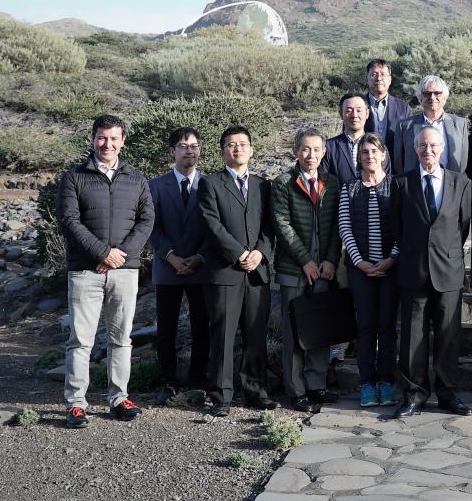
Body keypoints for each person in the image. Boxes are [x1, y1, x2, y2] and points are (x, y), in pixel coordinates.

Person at [58, 114, 155, 429]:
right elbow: (70, 221)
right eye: (102, 137)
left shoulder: (137, 180)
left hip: (125, 272)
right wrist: (102, 253)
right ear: (92, 139)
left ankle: (119, 398)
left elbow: (146, 221)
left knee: (121, 339)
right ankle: (76, 404)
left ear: (123, 141)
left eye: (114, 138)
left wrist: (118, 256)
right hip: (85, 272)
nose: (107, 144)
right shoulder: (74, 177)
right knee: (81, 340)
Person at [387, 127, 472, 417]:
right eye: (422, 145)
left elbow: (463, 226)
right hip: (414, 269)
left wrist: (445, 251)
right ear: (415, 149)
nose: (428, 151)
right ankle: (413, 394)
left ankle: (448, 394)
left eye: (433, 145)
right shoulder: (400, 183)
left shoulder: (460, 182)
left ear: (442, 149)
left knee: (449, 336)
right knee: (412, 337)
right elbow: (396, 227)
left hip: (448, 269)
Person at [199, 125, 276, 417]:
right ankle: (221, 395)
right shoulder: (211, 184)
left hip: (257, 272)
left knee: (256, 334)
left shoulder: (262, 185)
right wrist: (240, 253)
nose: (237, 149)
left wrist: (259, 253)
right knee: (224, 334)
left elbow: (270, 225)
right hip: (225, 272)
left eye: (243, 144)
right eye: (231, 145)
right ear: (223, 152)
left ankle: (256, 391)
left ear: (252, 150)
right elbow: (212, 225)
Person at [271, 128, 343, 413]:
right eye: (305, 149)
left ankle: (317, 384)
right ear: (295, 151)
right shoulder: (282, 183)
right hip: (294, 269)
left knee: (320, 330)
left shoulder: (332, 183)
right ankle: (296, 389)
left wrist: (330, 261)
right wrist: (305, 261)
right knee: (294, 331)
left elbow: (338, 227)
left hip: (324, 269)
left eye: (316, 149)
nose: (310, 154)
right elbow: (282, 225)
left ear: (324, 152)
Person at [147, 126, 210, 406]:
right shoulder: (155, 186)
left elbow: (215, 227)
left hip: (201, 267)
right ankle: (168, 382)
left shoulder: (210, 184)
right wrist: (170, 256)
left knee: (201, 326)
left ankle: (198, 381)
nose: (189, 151)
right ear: (172, 151)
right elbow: (151, 227)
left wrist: (198, 257)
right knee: (167, 328)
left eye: (194, 146)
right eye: (184, 146)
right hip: (167, 267)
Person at [337, 133, 400, 408]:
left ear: (383, 154)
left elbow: (403, 227)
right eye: (364, 152)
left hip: (390, 269)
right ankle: (366, 383)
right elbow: (344, 227)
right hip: (359, 270)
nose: (370, 156)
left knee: (387, 326)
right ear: (358, 158)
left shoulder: (397, 186)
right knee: (365, 326)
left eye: (374, 151)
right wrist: (360, 261)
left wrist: (391, 259)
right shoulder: (349, 188)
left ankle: (386, 382)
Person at [390, 75, 469, 174]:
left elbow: (463, 163)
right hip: (415, 186)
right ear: (420, 98)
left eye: (437, 93)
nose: (432, 97)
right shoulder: (405, 126)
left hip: (450, 185)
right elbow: (399, 164)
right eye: (427, 93)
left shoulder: (460, 124)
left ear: (444, 97)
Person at [323, 92, 384, 186]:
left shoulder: (378, 146)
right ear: (341, 114)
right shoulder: (328, 147)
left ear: (367, 113)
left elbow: (386, 180)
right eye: (348, 111)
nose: (354, 115)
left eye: (359, 110)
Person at [365, 59, 412, 139]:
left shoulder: (403, 108)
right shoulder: (357, 105)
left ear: (390, 79)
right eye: (374, 74)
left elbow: (409, 139)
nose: (379, 78)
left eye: (383, 74)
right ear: (367, 79)